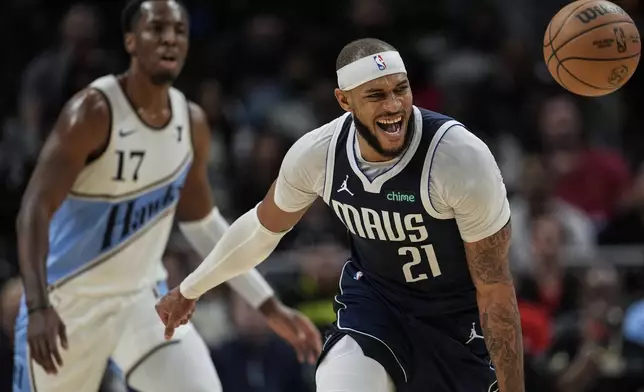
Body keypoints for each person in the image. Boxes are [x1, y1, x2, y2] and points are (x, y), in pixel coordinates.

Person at [157, 38, 525, 392]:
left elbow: (495, 288)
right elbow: (260, 230)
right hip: (376, 304)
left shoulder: (459, 158)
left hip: (455, 319)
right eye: (377, 95)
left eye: (401, 88)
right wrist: (191, 288)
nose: (395, 105)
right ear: (344, 101)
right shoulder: (318, 154)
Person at [13, 1, 321, 391]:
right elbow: (34, 209)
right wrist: (39, 305)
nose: (170, 38)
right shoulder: (92, 111)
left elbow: (205, 226)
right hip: (68, 303)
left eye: (178, 30)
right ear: (130, 41)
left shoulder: (190, 122)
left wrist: (268, 304)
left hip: (143, 301)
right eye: (156, 28)